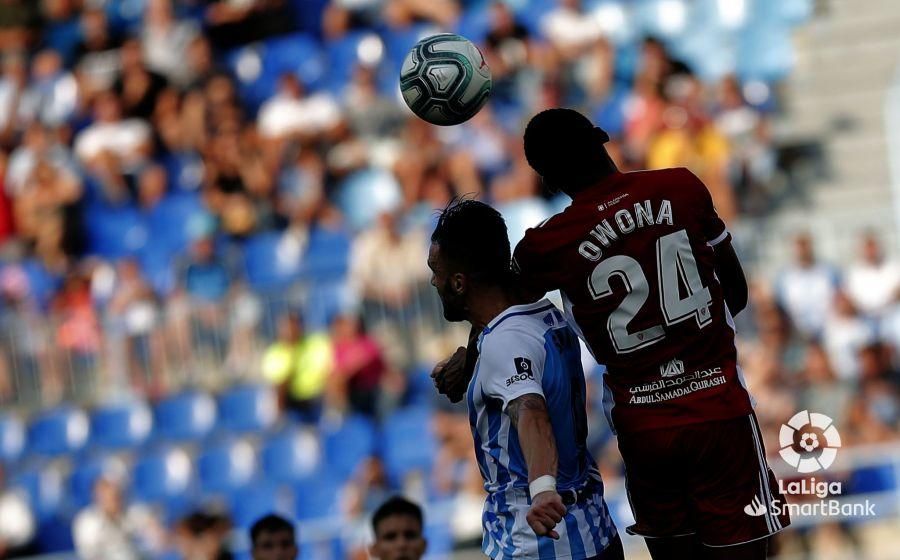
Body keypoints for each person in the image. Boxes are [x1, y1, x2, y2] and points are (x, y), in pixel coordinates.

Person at [432, 109, 789, 559]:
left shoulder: (548, 244)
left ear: (545, 177)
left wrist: (470, 355)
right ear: (601, 141)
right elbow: (734, 293)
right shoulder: (681, 186)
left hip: (644, 431)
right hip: (720, 414)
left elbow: (498, 305)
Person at [428, 199, 623, 559]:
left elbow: (530, 410)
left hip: (538, 540)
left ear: (458, 282)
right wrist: (470, 357)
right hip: (594, 528)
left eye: (436, 272)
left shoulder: (505, 341)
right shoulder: (544, 315)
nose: (432, 281)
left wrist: (543, 488)